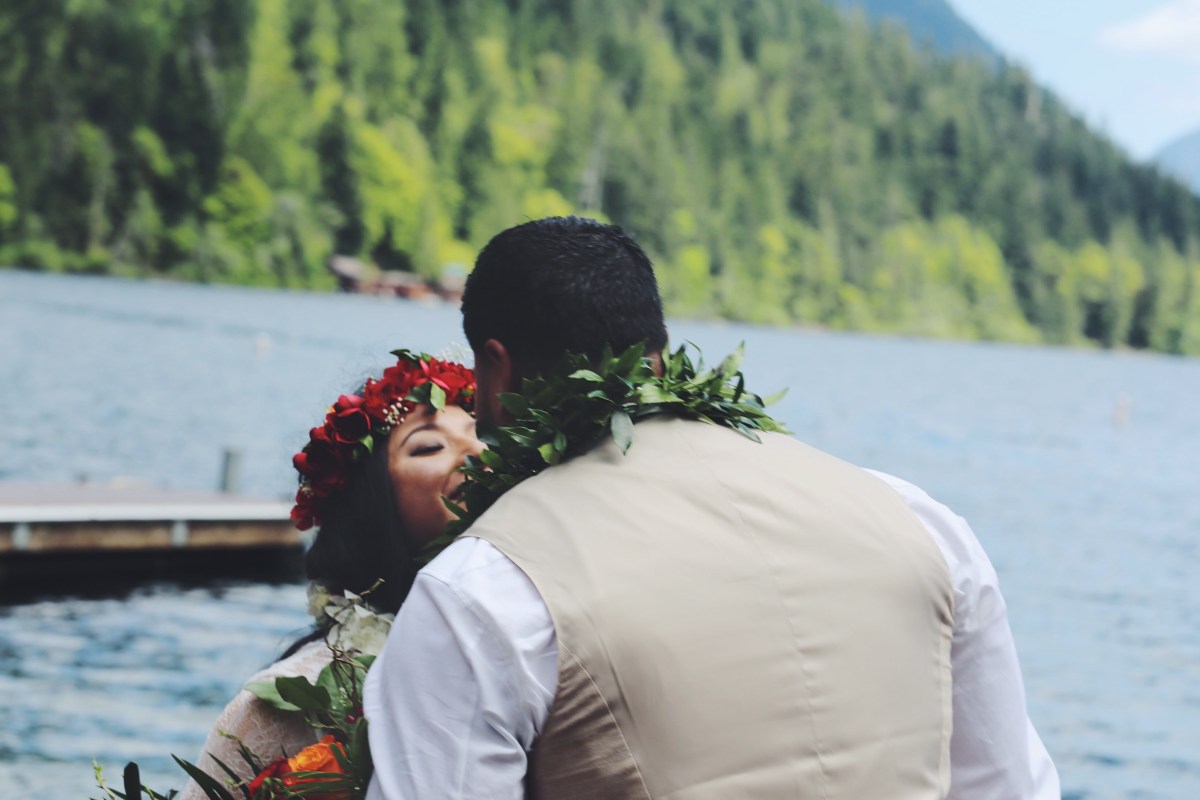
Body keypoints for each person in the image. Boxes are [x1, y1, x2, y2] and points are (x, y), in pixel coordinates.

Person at [364, 216, 1060, 799]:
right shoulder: (917, 521)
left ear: (496, 367)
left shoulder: (486, 589)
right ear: (659, 350)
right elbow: (1011, 787)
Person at [179, 351, 481, 800]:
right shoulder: (286, 703)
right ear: (371, 508)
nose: (477, 454)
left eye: (481, 434)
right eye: (430, 446)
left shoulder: (543, 637)